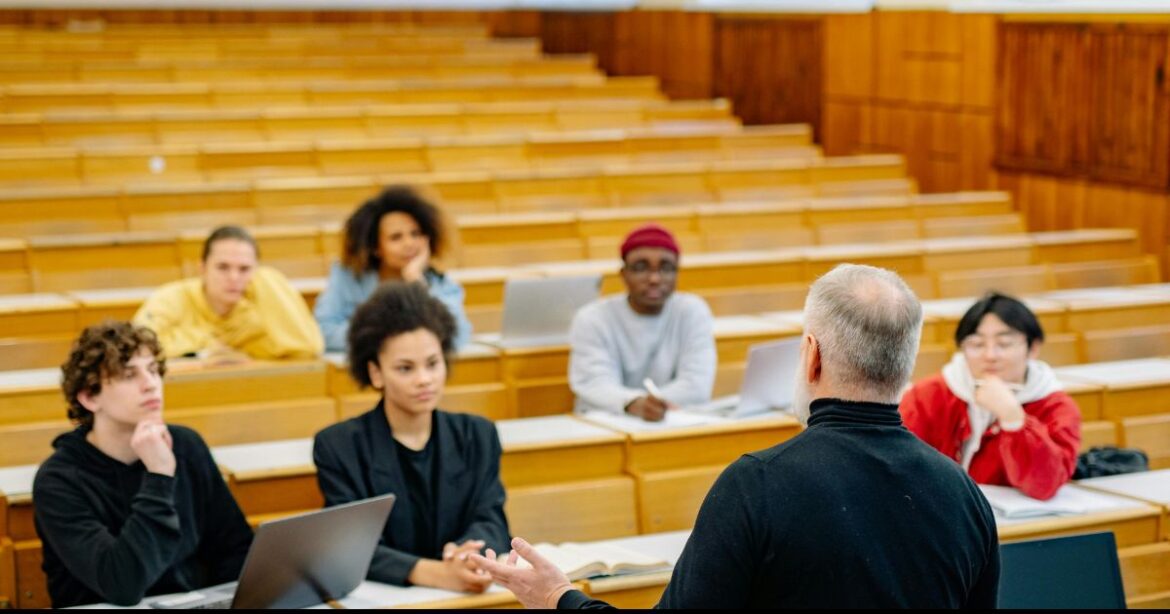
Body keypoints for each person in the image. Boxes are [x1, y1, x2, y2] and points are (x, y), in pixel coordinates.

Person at [472, 264, 1000, 609]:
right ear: (904, 364)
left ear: (811, 353)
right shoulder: (961, 493)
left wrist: (558, 596)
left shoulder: (759, 484)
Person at [33, 321, 253, 608]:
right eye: (128, 375)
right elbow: (123, 584)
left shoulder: (187, 445)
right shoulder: (58, 481)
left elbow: (235, 550)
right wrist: (159, 476)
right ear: (89, 397)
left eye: (152, 370)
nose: (151, 384)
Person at [312, 282, 509, 592]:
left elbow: (492, 520)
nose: (424, 380)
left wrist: (468, 554)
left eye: (433, 364)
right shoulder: (338, 446)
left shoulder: (478, 435)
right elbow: (351, 547)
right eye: (405, 368)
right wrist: (437, 573)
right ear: (376, 373)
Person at [900, 292, 1081, 501]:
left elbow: (1044, 485)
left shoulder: (1056, 406)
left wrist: (1014, 420)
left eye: (1004, 344)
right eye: (977, 345)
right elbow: (901, 465)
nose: (990, 356)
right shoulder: (929, 395)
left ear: (1033, 348)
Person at [568, 224, 715, 420]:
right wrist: (633, 403)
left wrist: (652, 406)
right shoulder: (592, 318)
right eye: (641, 267)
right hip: (607, 423)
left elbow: (696, 384)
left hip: (674, 422)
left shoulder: (691, 311)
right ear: (623, 274)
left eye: (666, 268)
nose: (654, 278)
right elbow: (594, 383)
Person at [314, 186, 471, 353]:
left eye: (416, 234)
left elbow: (457, 336)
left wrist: (416, 282)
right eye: (396, 237)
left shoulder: (436, 282)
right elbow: (324, 331)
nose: (409, 244)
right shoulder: (348, 276)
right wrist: (393, 337)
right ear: (376, 248)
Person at [133, 225, 323, 361]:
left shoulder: (253, 313)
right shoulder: (171, 299)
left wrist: (267, 278)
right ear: (202, 268)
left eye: (244, 269)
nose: (234, 277)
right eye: (223, 267)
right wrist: (208, 345)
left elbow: (307, 348)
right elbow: (137, 347)